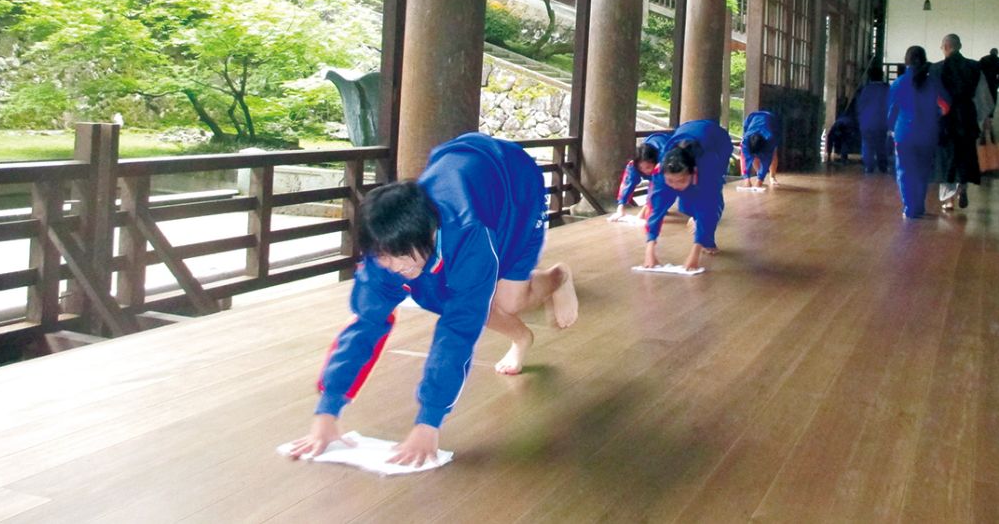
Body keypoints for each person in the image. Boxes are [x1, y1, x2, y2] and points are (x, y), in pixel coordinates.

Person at [289, 132, 579, 467]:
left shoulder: (470, 238)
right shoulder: (383, 255)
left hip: (513, 185)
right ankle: (521, 337)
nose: (397, 268)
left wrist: (429, 422)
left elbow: (457, 332)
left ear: (430, 233)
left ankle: (558, 276)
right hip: (458, 168)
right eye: (386, 259)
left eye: (403, 257)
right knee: (448, 296)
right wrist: (328, 411)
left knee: (506, 301)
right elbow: (365, 327)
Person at [642, 119, 733, 271]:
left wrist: (695, 253)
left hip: (717, 140)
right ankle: (695, 222)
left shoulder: (707, 166)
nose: (676, 185)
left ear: (694, 173)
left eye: (682, 180)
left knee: (707, 202)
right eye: (670, 181)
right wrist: (649, 250)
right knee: (684, 205)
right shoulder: (660, 172)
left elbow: (708, 208)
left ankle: (707, 239)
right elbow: (656, 210)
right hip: (684, 131)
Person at [931, 34, 994, 210]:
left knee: (946, 158)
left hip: (945, 118)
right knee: (965, 155)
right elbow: (984, 99)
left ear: (944, 47)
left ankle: (948, 200)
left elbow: (932, 98)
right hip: (966, 116)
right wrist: (981, 118)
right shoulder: (974, 67)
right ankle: (962, 187)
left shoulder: (936, 69)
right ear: (960, 46)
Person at [887, 46, 951, 219]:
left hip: (904, 134)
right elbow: (945, 107)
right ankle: (919, 206)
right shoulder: (934, 83)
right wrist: (934, 116)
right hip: (928, 133)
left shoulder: (898, 83)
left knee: (904, 171)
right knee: (923, 172)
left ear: (906, 60)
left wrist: (892, 129)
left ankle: (909, 208)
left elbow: (891, 111)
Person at [608, 131, 673, 220]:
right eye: (641, 168)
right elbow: (628, 183)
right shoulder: (634, 165)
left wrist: (642, 214)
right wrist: (620, 208)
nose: (645, 171)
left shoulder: (664, 160)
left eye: (648, 167)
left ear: (655, 163)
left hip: (671, 153)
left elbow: (658, 187)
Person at [856, 66, 891, 173]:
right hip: (882, 122)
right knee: (881, 144)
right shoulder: (887, 89)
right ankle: (882, 165)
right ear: (882, 76)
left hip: (866, 122)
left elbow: (859, 106)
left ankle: (869, 166)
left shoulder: (865, 89)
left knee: (867, 144)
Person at [739, 110, 780, 187]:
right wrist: (746, 178)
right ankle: (759, 175)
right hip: (751, 119)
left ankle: (772, 176)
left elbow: (767, 160)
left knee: (773, 153)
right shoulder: (746, 141)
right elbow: (744, 159)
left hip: (772, 122)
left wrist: (760, 180)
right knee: (752, 156)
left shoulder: (770, 139)